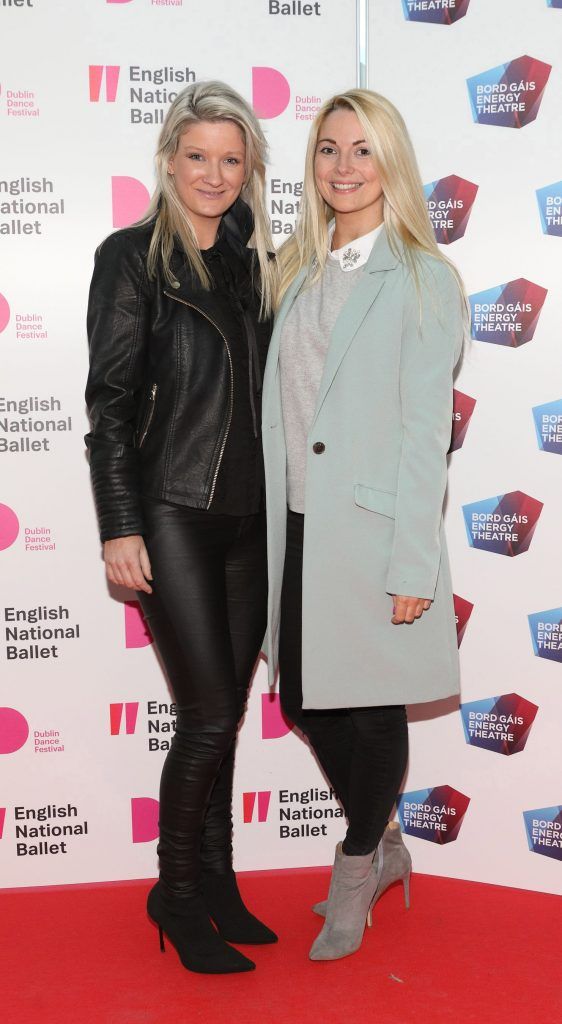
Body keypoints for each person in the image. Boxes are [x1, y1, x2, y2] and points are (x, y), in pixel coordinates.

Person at [261, 88, 466, 961]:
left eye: (362, 150)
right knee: (304, 699)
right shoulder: (296, 265)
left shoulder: (425, 276)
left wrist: (413, 564)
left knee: (371, 711)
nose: (343, 167)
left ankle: (354, 864)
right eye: (327, 150)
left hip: (374, 533)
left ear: (391, 162)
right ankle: (384, 842)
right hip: (292, 523)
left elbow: (427, 433)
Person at [85, 81, 278, 975]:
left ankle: (220, 878)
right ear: (168, 159)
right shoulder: (130, 258)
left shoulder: (254, 264)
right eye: (197, 156)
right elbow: (111, 402)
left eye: (230, 159)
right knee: (206, 716)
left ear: (249, 171)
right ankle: (176, 891)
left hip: (247, 518)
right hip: (168, 511)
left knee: (225, 713)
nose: (213, 173)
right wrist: (120, 524)